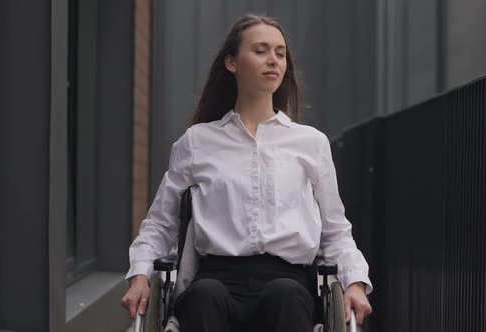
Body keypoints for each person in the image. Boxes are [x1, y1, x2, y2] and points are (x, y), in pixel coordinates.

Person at [121, 14, 372, 332]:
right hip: (216, 279)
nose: (274, 61)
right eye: (261, 50)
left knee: (286, 296)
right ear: (231, 62)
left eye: (280, 53)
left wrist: (355, 282)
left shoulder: (310, 143)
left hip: (289, 281)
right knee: (204, 296)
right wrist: (141, 275)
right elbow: (159, 224)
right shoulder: (197, 142)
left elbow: (336, 232)